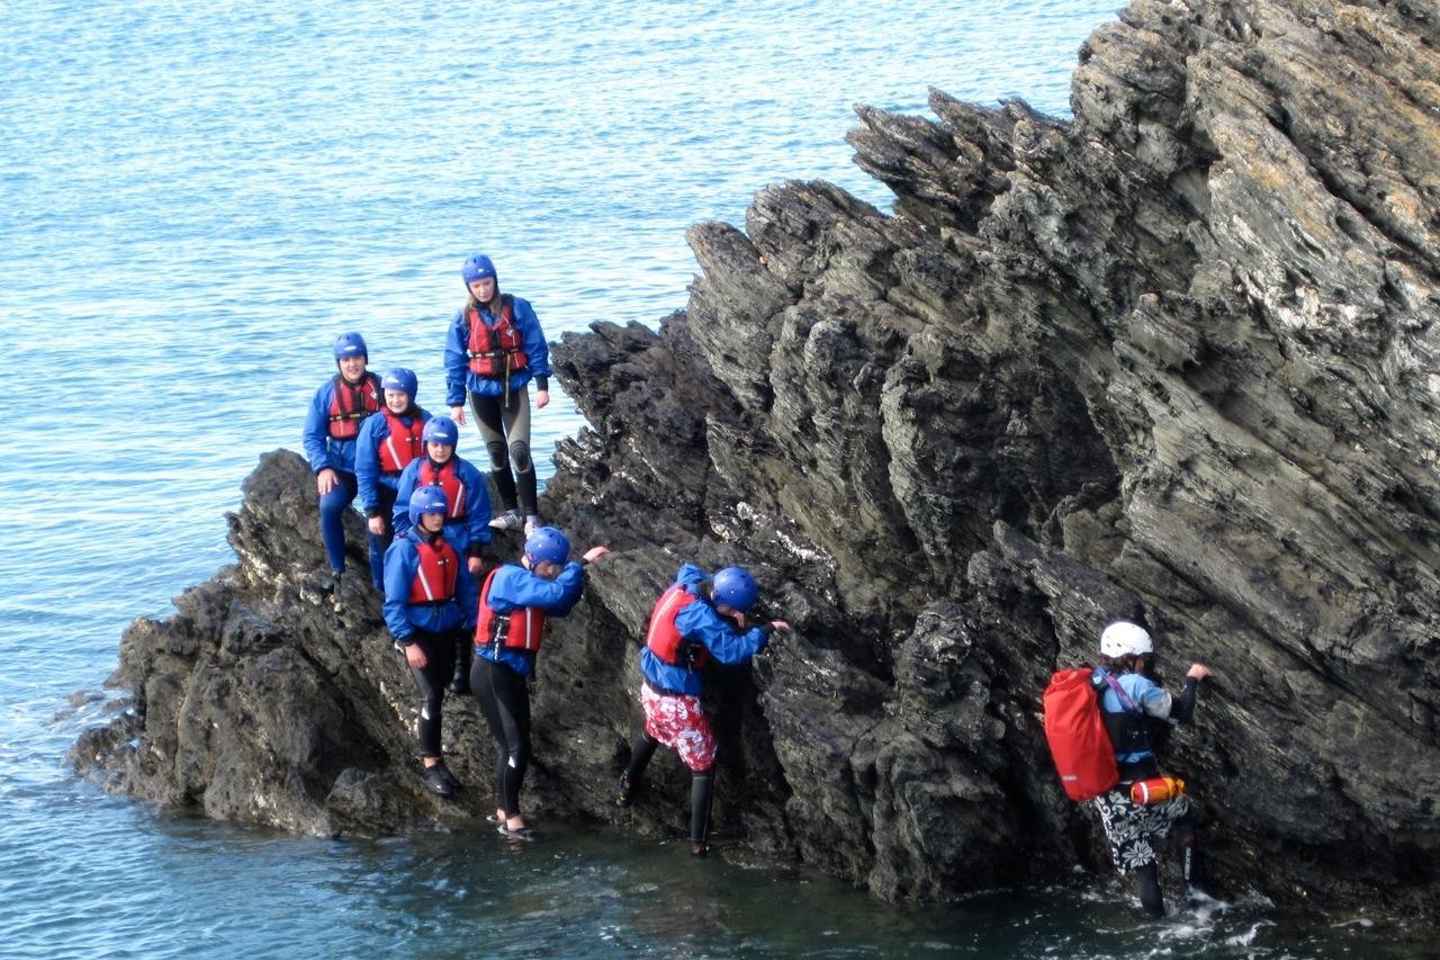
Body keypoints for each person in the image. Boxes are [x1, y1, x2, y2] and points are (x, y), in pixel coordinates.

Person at [616, 564, 791, 857]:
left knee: (653, 731)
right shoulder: (701, 616)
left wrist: (729, 608)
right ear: (722, 604)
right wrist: (764, 630)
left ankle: (627, 785)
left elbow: (689, 567)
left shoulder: (686, 585)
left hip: (650, 686)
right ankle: (698, 843)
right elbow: (731, 651)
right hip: (675, 701)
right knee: (704, 764)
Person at [471, 526, 610, 839]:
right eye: (549, 566)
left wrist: (579, 569)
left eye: (556, 567)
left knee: (510, 745)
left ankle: (503, 811)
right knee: (516, 748)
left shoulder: (531, 580)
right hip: (493, 673)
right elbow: (556, 593)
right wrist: (580, 564)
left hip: (507, 673)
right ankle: (513, 821)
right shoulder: (510, 577)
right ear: (533, 559)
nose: (552, 572)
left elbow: (560, 605)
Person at [1090, 620, 1212, 917]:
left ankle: (1155, 923)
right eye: (1143, 658)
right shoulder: (1136, 685)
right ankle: (1195, 900)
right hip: (1144, 787)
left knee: (1142, 862)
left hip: (1107, 793)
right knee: (1186, 819)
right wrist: (1193, 678)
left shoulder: (1091, 681)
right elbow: (1181, 713)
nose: (1145, 664)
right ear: (1132, 657)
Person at [443, 253, 553, 537]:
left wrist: (542, 384)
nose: (482, 289)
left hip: (513, 387)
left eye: (487, 283)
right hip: (479, 391)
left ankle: (531, 516)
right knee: (496, 452)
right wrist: (455, 402)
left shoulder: (517, 307)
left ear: (495, 281)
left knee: (519, 451)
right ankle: (510, 511)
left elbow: (535, 343)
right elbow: (454, 359)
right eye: (476, 285)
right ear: (469, 287)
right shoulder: (463, 317)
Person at [382, 485, 479, 798]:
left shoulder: (450, 546)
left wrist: (475, 622)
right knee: (431, 695)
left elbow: (465, 589)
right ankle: (430, 763)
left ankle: (437, 758)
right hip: (418, 630)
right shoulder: (403, 550)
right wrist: (407, 641)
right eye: (431, 513)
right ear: (418, 514)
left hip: (447, 626)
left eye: (440, 512)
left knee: (445, 686)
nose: (437, 518)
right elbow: (393, 602)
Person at [392, 415, 492, 694]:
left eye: (446, 445)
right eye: (435, 444)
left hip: (457, 537)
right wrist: (408, 538)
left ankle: (464, 666)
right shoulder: (414, 470)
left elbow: (479, 514)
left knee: (465, 598)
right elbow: (401, 510)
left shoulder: (468, 474)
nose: (440, 450)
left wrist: (475, 551)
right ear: (426, 444)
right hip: (421, 538)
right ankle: (417, 645)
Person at [302, 332, 383, 578]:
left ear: (365, 359)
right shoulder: (325, 394)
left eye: (357, 357)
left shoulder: (382, 387)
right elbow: (312, 436)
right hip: (342, 469)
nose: (352, 364)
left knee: (380, 519)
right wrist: (323, 467)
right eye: (346, 359)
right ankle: (338, 570)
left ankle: (381, 574)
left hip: (378, 469)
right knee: (329, 507)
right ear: (338, 363)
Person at [354, 368, 431, 591]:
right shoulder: (374, 425)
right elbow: (365, 470)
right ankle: (384, 594)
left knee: (419, 547)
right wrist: (372, 512)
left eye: (400, 394)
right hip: (385, 493)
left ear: (411, 394)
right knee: (382, 549)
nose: (395, 400)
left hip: (418, 495)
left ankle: (418, 593)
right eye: (390, 395)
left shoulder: (426, 421)